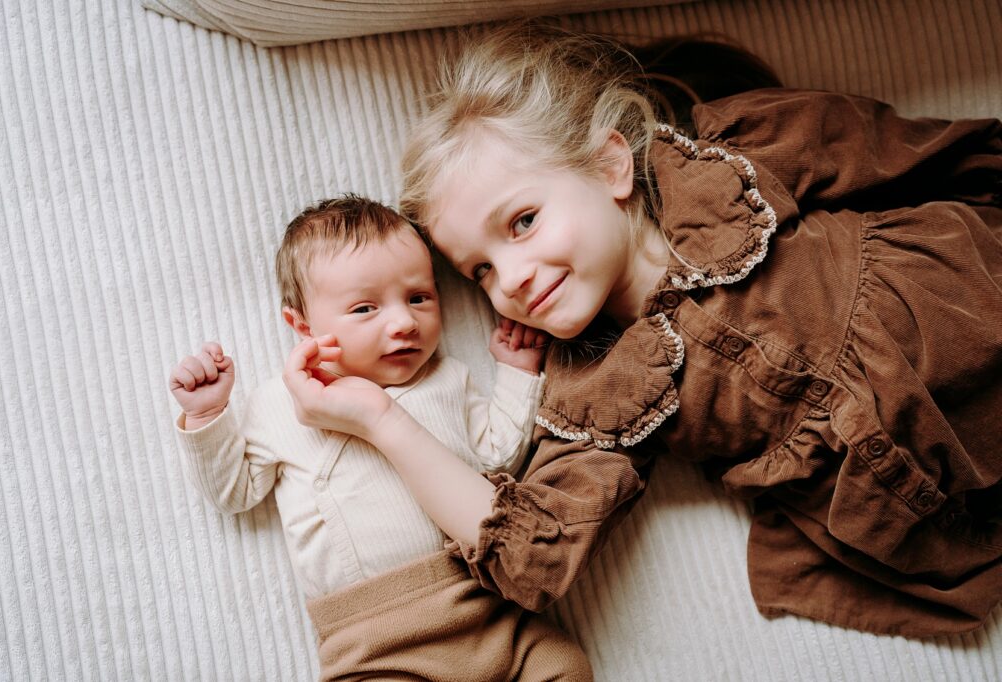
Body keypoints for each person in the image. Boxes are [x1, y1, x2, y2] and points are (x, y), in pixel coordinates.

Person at [282, 21, 1002, 639]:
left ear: (609, 166)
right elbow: (529, 560)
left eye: (523, 222)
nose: (514, 279)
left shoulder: (733, 158)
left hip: (968, 292)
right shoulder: (600, 392)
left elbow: (919, 152)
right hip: (936, 477)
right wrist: (379, 419)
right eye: (480, 272)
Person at [169, 195, 593, 681]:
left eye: (419, 297)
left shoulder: (448, 380)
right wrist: (208, 416)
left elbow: (500, 456)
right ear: (302, 325)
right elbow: (234, 492)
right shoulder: (279, 406)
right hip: (375, 642)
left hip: (490, 610)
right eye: (365, 308)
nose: (403, 322)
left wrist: (515, 374)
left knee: (564, 666)